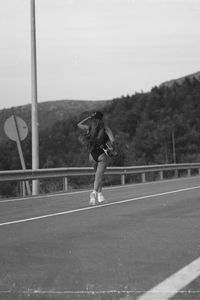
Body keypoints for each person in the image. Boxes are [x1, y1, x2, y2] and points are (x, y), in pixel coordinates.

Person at [77, 111, 115, 205]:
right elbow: (113, 141)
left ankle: (100, 196)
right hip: (102, 154)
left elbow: (79, 124)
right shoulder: (106, 129)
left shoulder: (90, 128)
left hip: (92, 155)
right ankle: (93, 193)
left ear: (93, 119)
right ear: (101, 119)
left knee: (98, 176)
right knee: (99, 176)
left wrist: (88, 118)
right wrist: (113, 150)